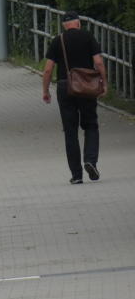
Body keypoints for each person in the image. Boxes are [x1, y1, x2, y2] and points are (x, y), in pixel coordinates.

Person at [42, 11, 108, 184]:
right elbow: (99, 62)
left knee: (70, 132)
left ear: (64, 25)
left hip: (65, 87)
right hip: (86, 87)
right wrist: (104, 82)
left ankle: (77, 176)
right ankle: (90, 161)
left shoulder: (58, 40)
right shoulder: (88, 37)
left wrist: (46, 90)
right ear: (79, 23)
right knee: (91, 125)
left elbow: (48, 69)